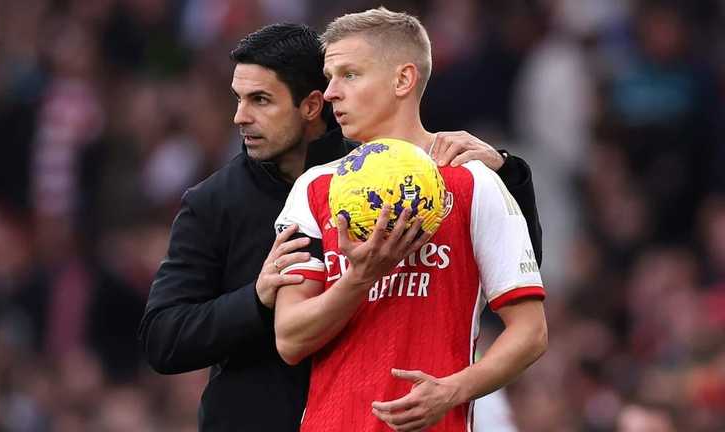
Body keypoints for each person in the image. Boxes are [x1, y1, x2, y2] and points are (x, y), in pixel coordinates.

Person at [138, 23, 543, 432]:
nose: (240, 117)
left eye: (260, 100)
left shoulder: (405, 177)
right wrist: (257, 299)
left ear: (311, 106)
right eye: (239, 99)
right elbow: (164, 337)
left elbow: (510, 276)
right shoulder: (221, 201)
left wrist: (508, 175)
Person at [274, 8, 547, 432]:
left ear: (403, 79)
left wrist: (453, 390)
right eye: (329, 77)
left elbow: (530, 333)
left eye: (349, 74)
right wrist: (359, 277)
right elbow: (289, 339)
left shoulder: (473, 182)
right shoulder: (313, 187)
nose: (329, 93)